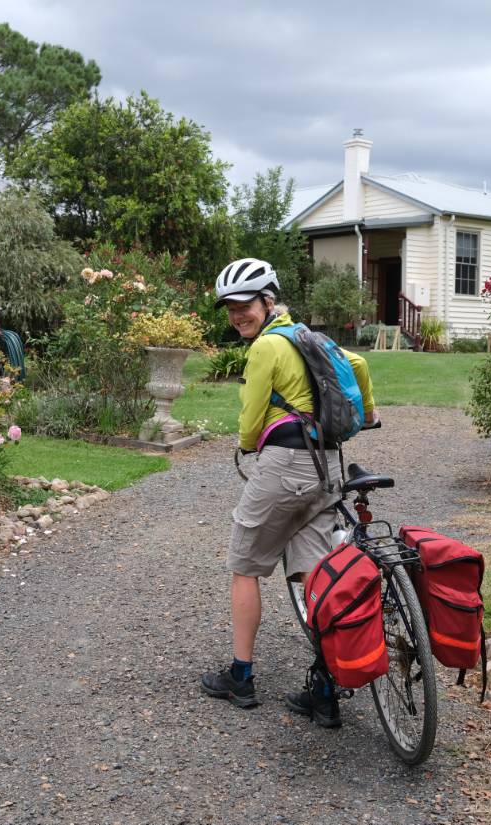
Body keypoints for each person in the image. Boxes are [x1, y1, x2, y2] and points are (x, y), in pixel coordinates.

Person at [201, 257, 377, 728]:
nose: (238, 315)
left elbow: (251, 417)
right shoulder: (309, 336)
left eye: (245, 305)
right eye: (230, 308)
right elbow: (357, 364)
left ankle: (240, 677)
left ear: (268, 300)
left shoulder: (265, 349)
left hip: (284, 463)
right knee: (313, 574)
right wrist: (369, 412)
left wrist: (243, 444)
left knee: (245, 564)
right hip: (326, 467)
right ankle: (324, 688)